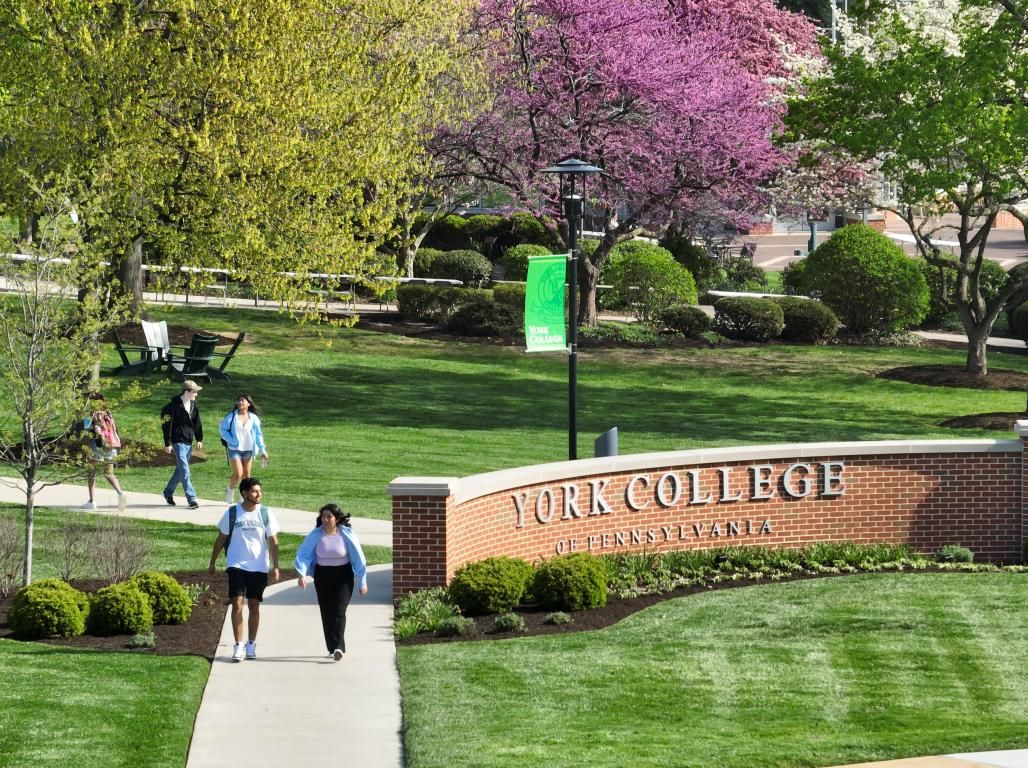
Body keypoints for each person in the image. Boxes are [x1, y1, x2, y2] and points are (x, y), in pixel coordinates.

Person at [208, 477, 281, 662]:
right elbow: (221, 539)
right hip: (236, 565)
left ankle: (251, 644)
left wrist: (276, 566)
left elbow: (273, 541)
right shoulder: (232, 513)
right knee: (238, 603)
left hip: (258, 566)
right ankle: (238, 645)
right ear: (244, 493)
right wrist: (212, 562)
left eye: (259, 491)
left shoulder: (265, 513)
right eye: (255, 491)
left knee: (254, 605)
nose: (259, 494)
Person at [294, 503, 368, 661]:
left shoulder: (346, 534)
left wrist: (363, 581)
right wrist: (302, 574)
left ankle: (338, 647)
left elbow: (358, 558)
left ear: (337, 518)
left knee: (339, 611)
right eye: (323, 516)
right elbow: (304, 554)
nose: (325, 519)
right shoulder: (316, 534)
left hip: (343, 576)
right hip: (323, 576)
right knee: (327, 612)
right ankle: (332, 647)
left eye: (329, 516)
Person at [160, 379, 204, 509]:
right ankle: (191, 499)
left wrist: (199, 438)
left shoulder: (193, 405)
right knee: (185, 471)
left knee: (180, 470)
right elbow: (167, 425)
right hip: (177, 441)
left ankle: (168, 492)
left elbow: (197, 422)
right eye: (195, 392)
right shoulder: (172, 407)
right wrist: (167, 443)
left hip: (188, 441)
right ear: (187, 392)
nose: (196, 394)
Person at [219, 394, 269, 505]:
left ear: (249, 404)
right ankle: (230, 491)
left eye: (243, 401)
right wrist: (232, 441)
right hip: (235, 449)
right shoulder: (232, 416)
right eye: (239, 401)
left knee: (246, 475)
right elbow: (223, 430)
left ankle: (244, 498)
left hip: (248, 449)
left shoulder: (253, 418)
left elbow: (258, 435)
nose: (240, 402)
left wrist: (263, 450)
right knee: (238, 473)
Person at [81, 393, 127, 512]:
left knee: (91, 472)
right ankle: (120, 493)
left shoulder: (91, 415)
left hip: (98, 445)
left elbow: (87, 431)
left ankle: (92, 501)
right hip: (111, 446)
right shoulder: (108, 414)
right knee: (109, 473)